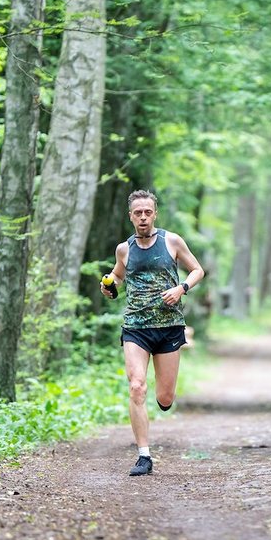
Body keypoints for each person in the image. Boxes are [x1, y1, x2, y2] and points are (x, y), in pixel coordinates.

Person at [101, 189, 205, 476]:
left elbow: (197, 270)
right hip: (136, 327)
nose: (143, 217)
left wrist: (181, 288)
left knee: (165, 397)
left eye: (148, 212)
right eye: (138, 213)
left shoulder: (171, 241)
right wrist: (110, 287)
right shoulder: (124, 248)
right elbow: (118, 276)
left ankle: (164, 402)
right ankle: (144, 456)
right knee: (136, 386)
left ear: (154, 213)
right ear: (131, 216)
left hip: (169, 326)